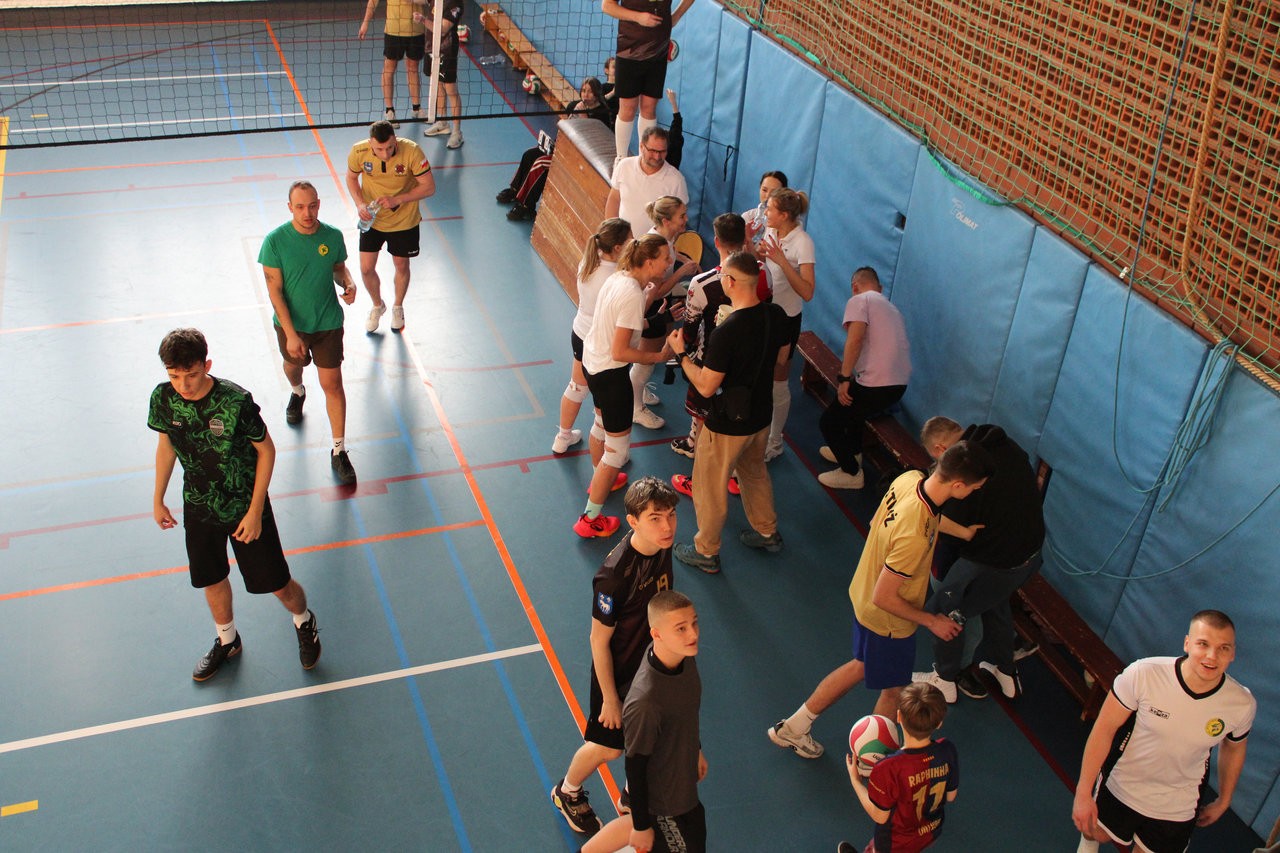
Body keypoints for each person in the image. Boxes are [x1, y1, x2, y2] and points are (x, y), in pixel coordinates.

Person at [767, 441, 992, 757]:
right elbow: (885, 596)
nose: (975, 492)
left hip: (864, 593)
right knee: (894, 690)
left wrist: (962, 532)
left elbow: (879, 523)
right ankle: (870, 759)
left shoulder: (910, 479)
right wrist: (933, 621)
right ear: (957, 485)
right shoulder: (914, 535)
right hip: (888, 619)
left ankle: (794, 727)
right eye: (975, 488)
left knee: (860, 665)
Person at [149, 328, 321, 682]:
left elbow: (266, 451)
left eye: (191, 374)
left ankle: (304, 620)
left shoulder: (235, 402)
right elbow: (167, 446)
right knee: (212, 578)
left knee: (278, 584)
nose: (183, 385)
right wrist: (158, 498)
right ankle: (228, 641)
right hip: (199, 505)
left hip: (245, 507)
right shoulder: (163, 398)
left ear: (207, 365)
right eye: (174, 376)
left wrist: (256, 511)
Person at [550, 477, 679, 835]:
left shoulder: (661, 545)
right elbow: (598, 640)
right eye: (655, 518)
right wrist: (609, 698)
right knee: (607, 749)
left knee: (651, 736)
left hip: (651, 668)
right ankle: (567, 791)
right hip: (619, 676)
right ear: (633, 521)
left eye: (671, 514)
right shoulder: (614, 578)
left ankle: (632, 796)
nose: (667, 526)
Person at [1072, 610, 1255, 853]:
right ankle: (1088, 842)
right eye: (1203, 644)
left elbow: (1234, 748)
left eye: (1223, 648)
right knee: (1094, 830)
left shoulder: (1241, 703)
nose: (1212, 656)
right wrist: (1083, 792)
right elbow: (1104, 729)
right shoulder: (1144, 674)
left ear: (1232, 653)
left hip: (1178, 806)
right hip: (1124, 784)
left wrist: (1224, 799)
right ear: (1187, 644)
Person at [667, 250, 789, 575]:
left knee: (708, 486)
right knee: (754, 473)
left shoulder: (727, 331)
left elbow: (706, 387)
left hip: (726, 424)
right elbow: (782, 358)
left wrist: (681, 355)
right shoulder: (775, 315)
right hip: (760, 415)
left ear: (731, 282)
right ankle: (767, 532)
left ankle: (706, 551)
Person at [910, 417, 1046, 703]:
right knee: (995, 600)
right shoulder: (1006, 446)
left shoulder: (967, 481)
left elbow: (946, 530)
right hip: (1031, 554)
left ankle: (945, 678)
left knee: (945, 610)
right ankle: (1006, 672)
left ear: (941, 450)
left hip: (997, 562)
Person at [582, 589, 707, 853]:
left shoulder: (682, 658)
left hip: (682, 785)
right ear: (656, 634)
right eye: (681, 628)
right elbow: (635, 767)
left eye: (694, 623)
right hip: (665, 804)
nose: (693, 634)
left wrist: (696, 749)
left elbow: (687, 710)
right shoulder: (646, 702)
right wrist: (641, 826)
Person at [259, 181, 359, 485]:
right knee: (294, 367)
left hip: (327, 322)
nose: (307, 213)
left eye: (312, 206)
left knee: (333, 384)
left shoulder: (332, 236)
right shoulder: (275, 242)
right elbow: (275, 293)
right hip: (292, 326)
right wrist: (291, 334)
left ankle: (339, 450)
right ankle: (297, 391)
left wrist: (349, 283)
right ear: (290, 207)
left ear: (319, 204)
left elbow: (338, 268)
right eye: (300, 207)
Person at [575, 234, 675, 538]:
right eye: (665, 258)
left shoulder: (619, 277)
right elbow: (621, 351)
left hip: (593, 364)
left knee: (600, 425)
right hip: (611, 374)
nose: (669, 262)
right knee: (617, 454)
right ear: (649, 262)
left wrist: (656, 320)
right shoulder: (633, 293)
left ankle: (600, 477)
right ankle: (590, 519)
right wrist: (658, 356)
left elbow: (623, 323)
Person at [669, 212, 766, 460]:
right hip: (750, 358)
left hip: (712, 357)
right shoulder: (761, 273)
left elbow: (689, 331)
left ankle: (698, 450)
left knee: (706, 408)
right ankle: (717, 453)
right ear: (744, 239)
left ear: (716, 241)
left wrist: (682, 352)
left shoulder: (702, 283)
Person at [816, 267, 911, 489]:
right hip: (898, 386)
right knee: (854, 412)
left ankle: (851, 472)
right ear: (880, 288)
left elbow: (855, 340)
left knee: (829, 422)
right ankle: (852, 452)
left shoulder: (860, 300)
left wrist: (844, 378)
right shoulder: (892, 309)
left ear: (854, 287)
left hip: (877, 385)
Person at [841, 682, 959, 853]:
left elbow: (880, 816)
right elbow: (951, 796)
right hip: (930, 831)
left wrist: (856, 781)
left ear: (898, 716)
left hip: (894, 842)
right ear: (939, 723)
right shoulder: (947, 749)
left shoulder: (888, 768)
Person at [346, 120, 436, 333]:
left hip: (404, 220)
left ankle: (397, 306)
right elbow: (351, 178)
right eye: (379, 149)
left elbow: (429, 187)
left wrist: (398, 199)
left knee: (401, 266)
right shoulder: (358, 152)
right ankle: (378, 305)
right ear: (370, 143)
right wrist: (359, 204)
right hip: (373, 219)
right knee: (366, 268)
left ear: (395, 140)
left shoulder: (412, 151)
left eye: (389, 147)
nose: (385, 154)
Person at [552, 218, 633, 456]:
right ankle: (608, 458)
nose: (634, 242)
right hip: (599, 343)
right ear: (617, 247)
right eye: (630, 240)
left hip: (579, 333)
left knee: (576, 387)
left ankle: (562, 437)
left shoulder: (589, 260)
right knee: (602, 402)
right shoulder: (616, 277)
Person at [630, 195, 700, 431]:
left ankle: (639, 389)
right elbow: (656, 291)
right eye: (681, 216)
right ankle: (635, 408)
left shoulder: (665, 240)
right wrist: (682, 272)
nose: (686, 219)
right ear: (666, 221)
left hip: (662, 301)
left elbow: (671, 251)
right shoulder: (655, 245)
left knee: (655, 353)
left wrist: (682, 258)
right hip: (652, 304)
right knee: (646, 359)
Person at [498, 78, 612, 222]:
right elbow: (564, 127)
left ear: (597, 94)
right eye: (583, 91)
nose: (585, 95)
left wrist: (583, 116)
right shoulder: (575, 106)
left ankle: (526, 206)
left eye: (590, 92)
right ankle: (515, 190)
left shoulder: (602, 113)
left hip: (580, 158)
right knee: (530, 154)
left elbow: (591, 141)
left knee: (540, 164)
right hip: (565, 147)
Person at [757, 186, 816, 461]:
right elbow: (764, 264)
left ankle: (775, 441)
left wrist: (782, 261)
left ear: (783, 215)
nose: (765, 212)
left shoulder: (803, 242)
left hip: (786, 319)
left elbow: (807, 291)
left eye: (770, 209)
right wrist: (754, 249)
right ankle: (758, 432)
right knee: (760, 376)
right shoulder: (771, 230)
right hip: (766, 313)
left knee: (778, 382)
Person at [602, 0, 696, 160]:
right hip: (629, 49)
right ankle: (620, 158)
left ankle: (644, 159)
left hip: (658, 50)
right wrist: (638, 17)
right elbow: (607, 6)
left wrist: (677, 15)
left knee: (649, 107)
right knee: (628, 107)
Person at [605, 125, 688, 241]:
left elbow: (680, 221)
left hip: (656, 249)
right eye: (652, 151)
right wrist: (611, 234)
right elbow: (614, 199)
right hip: (623, 244)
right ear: (641, 146)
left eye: (662, 151)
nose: (657, 156)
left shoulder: (676, 180)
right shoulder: (624, 166)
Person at [358, 0, 426, 127]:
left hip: (416, 29)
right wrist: (365, 22)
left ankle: (416, 108)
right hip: (394, 31)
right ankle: (389, 111)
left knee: (413, 67)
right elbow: (372, 2)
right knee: (389, 68)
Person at [416, 0, 465, 149]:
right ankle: (443, 122)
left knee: (450, 89)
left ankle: (457, 132)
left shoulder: (455, 3)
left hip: (447, 49)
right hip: (431, 46)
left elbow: (443, 29)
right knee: (438, 85)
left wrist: (422, 20)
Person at [741, 170, 787, 247]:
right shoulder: (747, 216)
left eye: (774, 192)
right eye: (764, 190)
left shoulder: (786, 223)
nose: (768, 195)